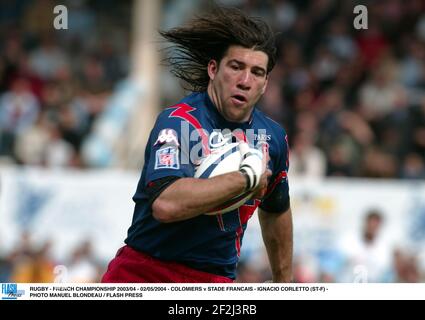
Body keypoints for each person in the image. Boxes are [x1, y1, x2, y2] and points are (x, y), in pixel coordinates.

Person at [102, 6, 293, 283]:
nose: (245, 81)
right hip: (144, 275)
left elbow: (277, 208)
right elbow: (166, 205)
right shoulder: (178, 123)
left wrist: (284, 285)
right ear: (213, 69)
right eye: (236, 67)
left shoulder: (273, 138)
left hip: (213, 282)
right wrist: (245, 180)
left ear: (265, 84)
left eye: (257, 72)